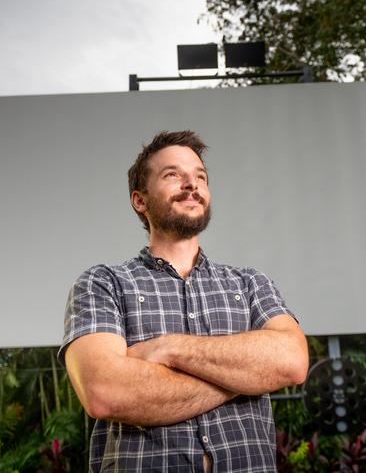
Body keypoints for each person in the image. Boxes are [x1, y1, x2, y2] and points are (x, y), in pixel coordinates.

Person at [58, 130, 309, 472]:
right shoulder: (104, 284)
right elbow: (105, 392)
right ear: (140, 200)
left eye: (200, 177)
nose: (191, 185)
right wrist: (245, 376)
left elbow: (292, 361)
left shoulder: (250, 283)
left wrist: (169, 349)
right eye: (173, 175)